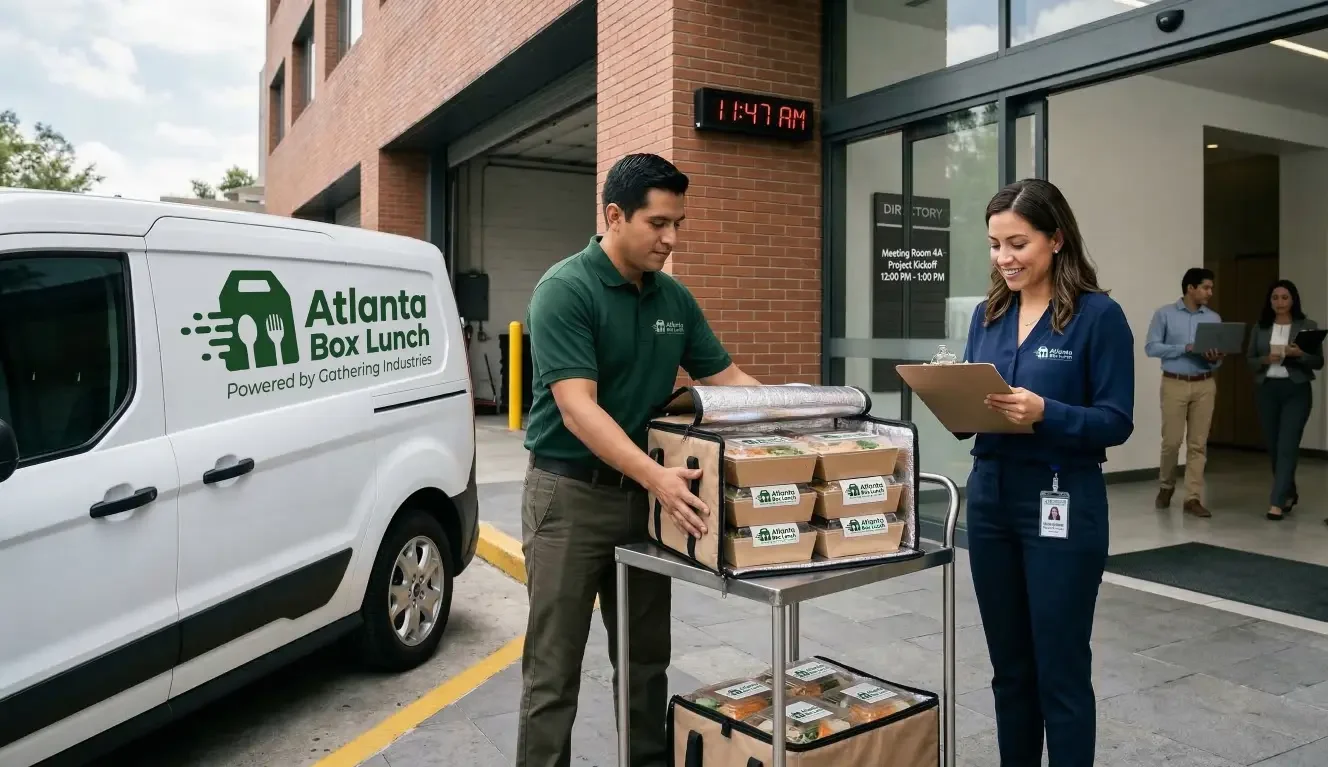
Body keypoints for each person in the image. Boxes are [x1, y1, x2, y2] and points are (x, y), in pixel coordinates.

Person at [515, 152, 760, 767]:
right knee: (553, 674)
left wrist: (799, 417)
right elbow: (579, 409)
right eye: (658, 224)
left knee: (645, 663)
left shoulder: (673, 300)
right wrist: (657, 477)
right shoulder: (565, 289)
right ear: (614, 216)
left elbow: (724, 376)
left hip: (647, 500)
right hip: (569, 497)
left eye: (678, 223)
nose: (671, 239)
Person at [958, 178, 1134, 767]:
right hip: (989, 499)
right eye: (994, 245)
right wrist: (953, 404)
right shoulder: (988, 315)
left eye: (1017, 243)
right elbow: (973, 400)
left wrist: (1045, 412)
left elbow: (1115, 420)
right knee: (1010, 671)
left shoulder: (1098, 317)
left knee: (1059, 669)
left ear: (1056, 240)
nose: (1003, 258)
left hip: (1061, 501)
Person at [1144, 267, 1224, 517]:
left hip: (1205, 383)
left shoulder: (1213, 319)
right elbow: (1152, 347)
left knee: (1198, 444)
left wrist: (1215, 357)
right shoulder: (1165, 314)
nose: (1210, 292)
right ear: (1191, 288)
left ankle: (1192, 497)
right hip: (1174, 383)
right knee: (1172, 442)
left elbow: (1218, 359)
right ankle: (1166, 485)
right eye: (1206, 287)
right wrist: (1185, 348)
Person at [1246, 279, 1322, 521]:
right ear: (1270, 301)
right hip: (1267, 389)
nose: (1279, 302)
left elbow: (1318, 362)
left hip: (1296, 390)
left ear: (1293, 300)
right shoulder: (1260, 327)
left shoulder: (1306, 325)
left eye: (1284, 297)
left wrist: (1299, 354)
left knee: (1287, 445)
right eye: (1275, 298)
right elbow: (1250, 359)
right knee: (1275, 447)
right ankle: (1289, 492)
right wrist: (1265, 360)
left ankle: (1276, 502)